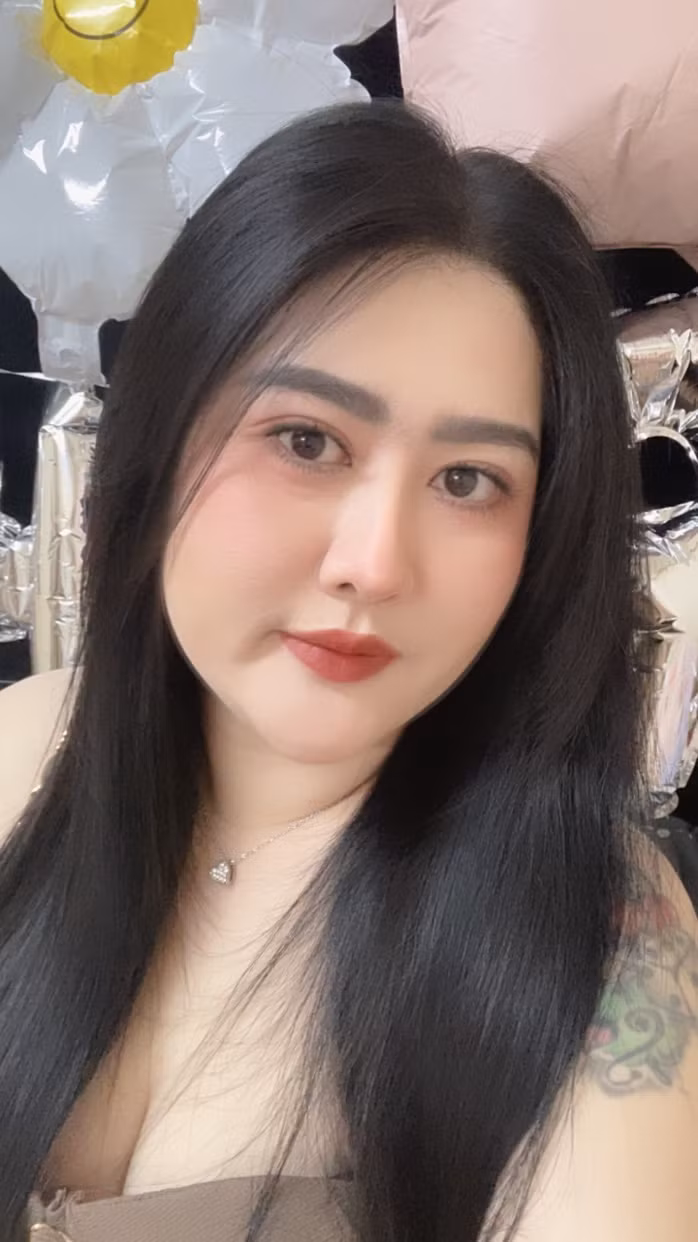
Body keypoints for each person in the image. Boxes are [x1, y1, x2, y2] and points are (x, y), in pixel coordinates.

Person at [0, 99, 695, 1242]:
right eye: (307, 440)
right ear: (163, 432)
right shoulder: (24, 745)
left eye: (467, 481)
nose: (372, 563)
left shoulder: (590, 927)